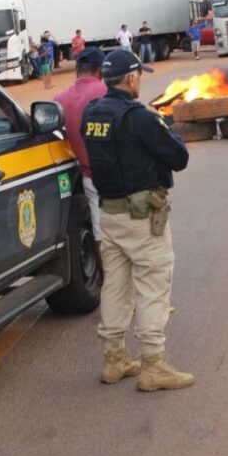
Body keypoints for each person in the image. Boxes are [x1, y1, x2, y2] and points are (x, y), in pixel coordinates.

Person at [82, 50, 194, 391]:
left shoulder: (92, 113)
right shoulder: (140, 116)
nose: (140, 81)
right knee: (153, 285)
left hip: (109, 214)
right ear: (131, 78)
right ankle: (153, 364)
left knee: (115, 286)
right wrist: (161, 123)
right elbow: (179, 157)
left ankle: (114, 358)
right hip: (142, 217)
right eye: (139, 76)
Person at [54, 47, 107, 262]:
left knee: (100, 233)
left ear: (78, 70)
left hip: (89, 178)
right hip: (118, 179)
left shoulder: (59, 99)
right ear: (100, 70)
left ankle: (109, 283)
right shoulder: (106, 92)